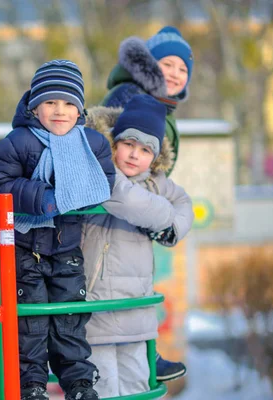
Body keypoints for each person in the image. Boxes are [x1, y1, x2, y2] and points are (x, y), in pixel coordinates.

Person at [0, 59, 116, 400]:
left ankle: (78, 383)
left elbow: (104, 183)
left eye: (69, 103)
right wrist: (42, 197)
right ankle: (30, 384)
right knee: (30, 323)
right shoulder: (18, 142)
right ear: (35, 106)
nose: (60, 111)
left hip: (66, 249)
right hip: (24, 249)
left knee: (70, 317)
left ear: (80, 109)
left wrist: (72, 195)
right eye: (50, 103)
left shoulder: (92, 144)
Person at [82, 94, 194, 396]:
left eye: (145, 150)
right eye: (128, 144)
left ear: (155, 157)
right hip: (99, 308)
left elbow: (185, 204)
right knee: (104, 385)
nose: (134, 155)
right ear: (115, 143)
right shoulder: (101, 172)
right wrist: (163, 214)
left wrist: (171, 228)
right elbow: (124, 198)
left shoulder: (156, 182)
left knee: (136, 384)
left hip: (137, 310)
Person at [101, 26, 193, 177]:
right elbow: (107, 151)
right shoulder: (130, 95)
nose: (175, 74)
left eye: (183, 70)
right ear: (149, 65)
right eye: (168, 65)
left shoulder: (165, 105)